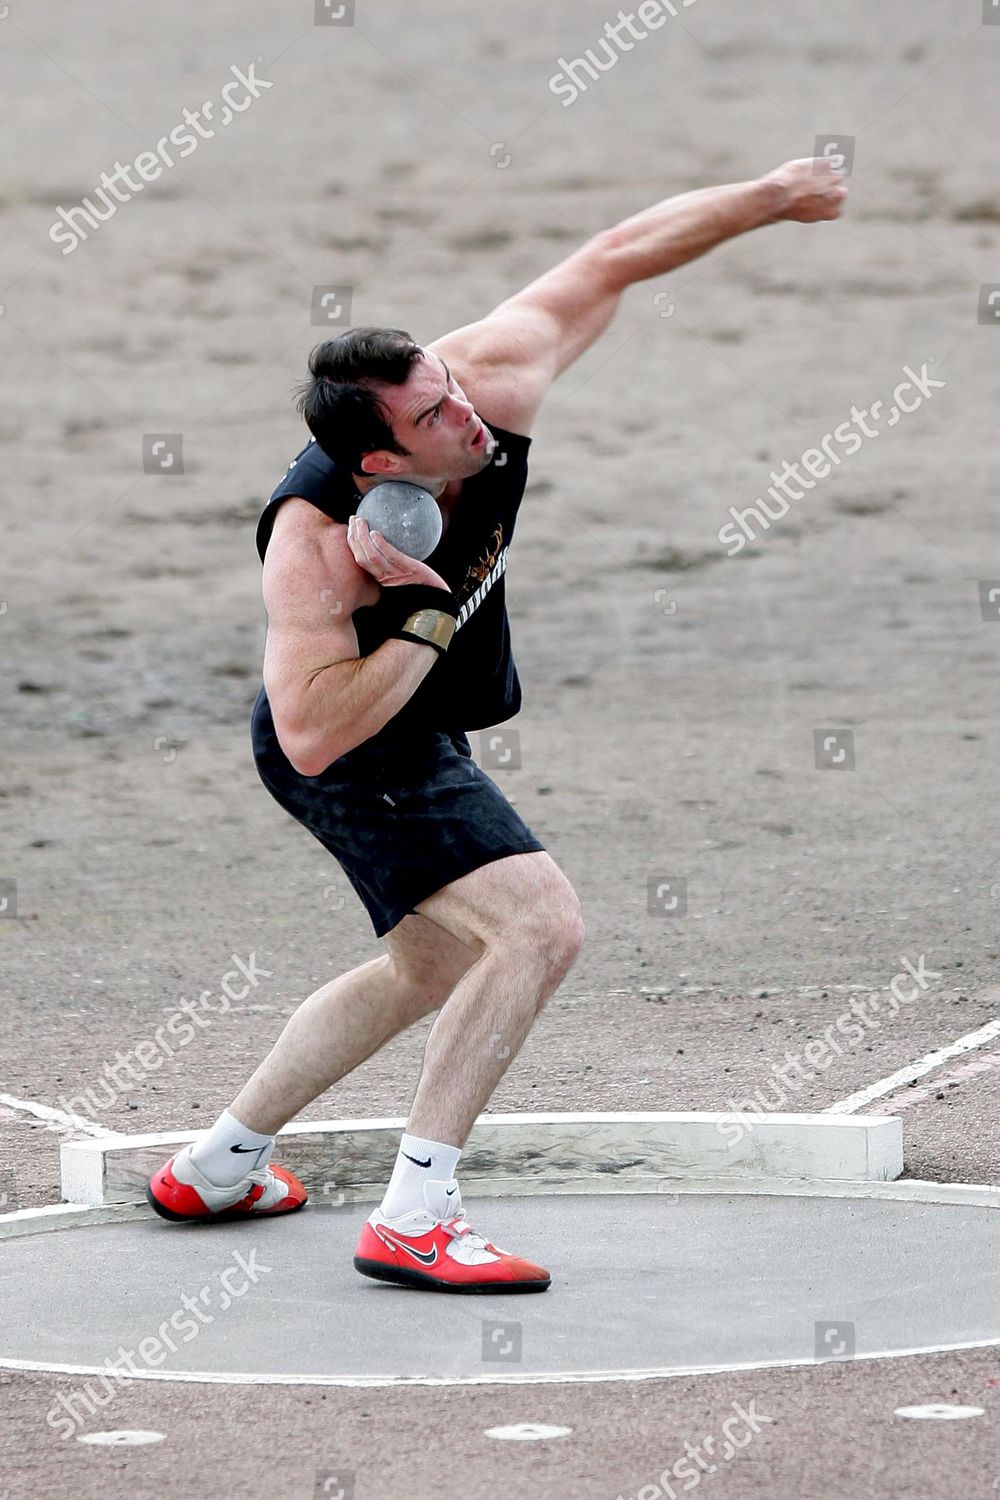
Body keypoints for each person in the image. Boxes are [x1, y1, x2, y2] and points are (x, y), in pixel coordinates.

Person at [146, 157, 847, 1292]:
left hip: (411, 725)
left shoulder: (484, 388)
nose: (465, 413)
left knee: (427, 964)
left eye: (450, 384)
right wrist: (419, 617)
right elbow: (316, 737)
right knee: (539, 927)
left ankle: (218, 1167)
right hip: (345, 739)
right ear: (379, 462)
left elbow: (613, 257)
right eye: (433, 415)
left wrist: (767, 197)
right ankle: (416, 1214)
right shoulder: (315, 545)